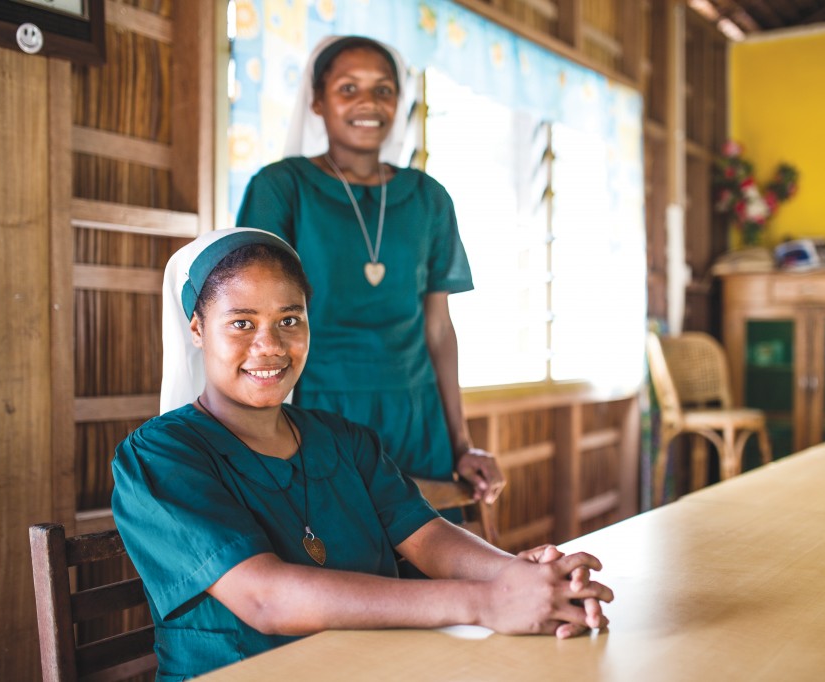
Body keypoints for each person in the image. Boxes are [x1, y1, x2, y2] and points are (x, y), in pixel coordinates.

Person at [112, 229, 612, 680]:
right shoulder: (161, 456)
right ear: (197, 330)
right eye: (242, 323)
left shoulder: (344, 440)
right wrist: (487, 601)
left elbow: (429, 538)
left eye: (290, 319)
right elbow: (264, 598)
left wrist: (520, 576)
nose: (270, 346)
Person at [235, 35, 504, 505]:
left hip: (417, 416)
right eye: (348, 88)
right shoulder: (282, 187)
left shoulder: (429, 198)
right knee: (337, 558)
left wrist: (461, 444)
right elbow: (256, 321)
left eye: (383, 89)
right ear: (317, 101)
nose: (368, 103)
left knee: (433, 564)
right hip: (315, 409)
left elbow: (438, 329)